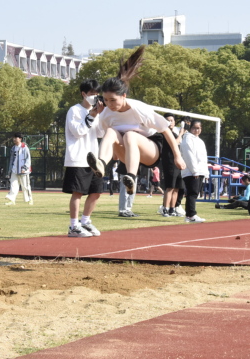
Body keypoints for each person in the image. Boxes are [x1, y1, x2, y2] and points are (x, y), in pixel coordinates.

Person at [86, 46, 186, 197]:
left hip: (151, 150)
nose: (109, 104)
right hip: (127, 153)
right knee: (112, 131)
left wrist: (177, 156)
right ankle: (101, 163)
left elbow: (166, 130)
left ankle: (131, 177)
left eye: (113, 100)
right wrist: (113, 153)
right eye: (105, 100)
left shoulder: (139, 109)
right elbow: (108, 137)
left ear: (124, 96)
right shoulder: (106, 114)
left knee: (130, 135)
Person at [63, 79, 105, 237]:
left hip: (94, 159)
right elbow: (78, 132)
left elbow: (100, 133)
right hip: (78, 157)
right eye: (92, 94)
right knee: (78, 192)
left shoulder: (97, 112)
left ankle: (85, 221)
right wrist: (92, 115)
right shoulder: (74, 110)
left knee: (96, 192)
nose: (95, 97)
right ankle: (74, 226)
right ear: (84, 94)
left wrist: (102, 115)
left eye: (97, 94)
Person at [179, 120, 208, 223]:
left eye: (198, 128)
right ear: (190, 128)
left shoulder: (200, 141)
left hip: (200, 170)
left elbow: (203, 158)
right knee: (192, 193)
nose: (196, 130)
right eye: (194, 128)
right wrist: (194, 171)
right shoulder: (187, 139)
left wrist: (205, 172)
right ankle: (191, 215)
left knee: (195, 193)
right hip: (191, 171)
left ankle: (189, 215)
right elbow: (189, 156)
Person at [160, 113, 186, 217]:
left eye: (171, 120)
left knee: (177, 188)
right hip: (170, 163)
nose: (170, 122)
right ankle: (165, 209)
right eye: (168, 120)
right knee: (170, 187)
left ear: (174, 122)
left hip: (178, 164)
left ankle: (172, 209)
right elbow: (175, 143)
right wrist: (181, 134)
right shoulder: (165, 133)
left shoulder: (174, 133)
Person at [5, 132, 33, 206]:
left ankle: (29, 199)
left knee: (25, 186)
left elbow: (28, 159)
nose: (14, 139)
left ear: (20, 139)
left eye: (16, 138)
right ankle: (12, 200)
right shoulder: (13, 148)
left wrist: (25, 167)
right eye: (13, 138)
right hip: (14, 170)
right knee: (13, 185)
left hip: (23, 171)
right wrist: (10, 170)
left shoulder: (25, 148)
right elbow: (11, 160)